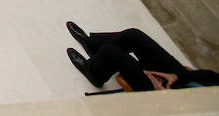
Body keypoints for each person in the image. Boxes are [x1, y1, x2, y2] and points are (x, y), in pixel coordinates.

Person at [64, 21, 219, 90]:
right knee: (134, 35)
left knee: (112, 51)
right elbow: (211, 77)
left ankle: (95, 72)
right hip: (183, 79)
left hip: (168, 102)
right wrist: (178, 77)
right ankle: (93, 46)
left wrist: (167, 95)